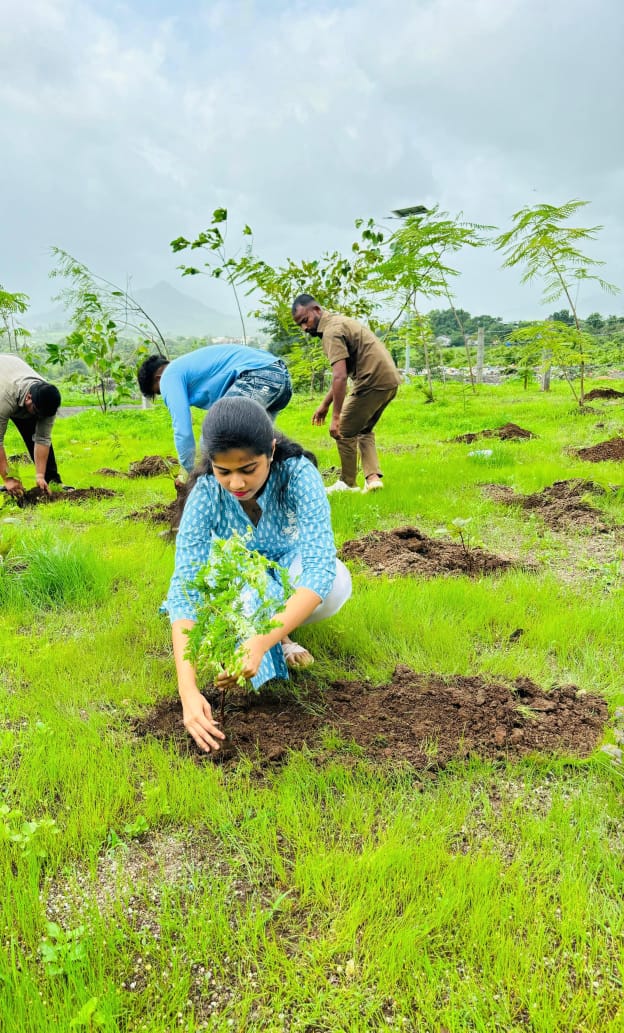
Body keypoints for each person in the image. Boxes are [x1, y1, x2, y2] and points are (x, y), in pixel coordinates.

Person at [164, 396, 352, 753]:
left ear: (271, 449)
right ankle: (261, 637)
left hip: (287, 564)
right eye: (224, 471)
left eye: (248, 469)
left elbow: (317, 569)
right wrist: (188, 692)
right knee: (239, 588)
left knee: (335, 583)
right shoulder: (205, 492)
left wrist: (260, 641)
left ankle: (279, 635)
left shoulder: (297, 474)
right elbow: (185, 587)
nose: (236, 483)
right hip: (237, 574)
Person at [291, 294, 402, 494]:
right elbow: (342, 375)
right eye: (300, 325)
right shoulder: (340, 322)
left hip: (371, 381)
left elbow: (340, 377)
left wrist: (336, 416)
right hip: (389, 381)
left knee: (342, 430)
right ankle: (373, 479)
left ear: (316, 310)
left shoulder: (331, 332)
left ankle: (347, 483)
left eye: (305, 320)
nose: (305, 328)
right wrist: (325, 404)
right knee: (364, 430)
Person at [137, 345, 292, 477]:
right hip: (280, 378)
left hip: (259, 375)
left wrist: (190, 471)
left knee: (213, 436)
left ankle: (213, 494)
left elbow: (182, 430)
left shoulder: (168, 376)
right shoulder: (188, 366)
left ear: (158, 378)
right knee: (257, 443)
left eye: (159, 392)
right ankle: (280, 483)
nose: (165, 394)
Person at [0, 354, 64, 497]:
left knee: (33, 424)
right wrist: (9, 479)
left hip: (13, 369)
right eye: (37, 412)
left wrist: (40, 475)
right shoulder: (5, 398)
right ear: (28, 397)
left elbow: (42, 439)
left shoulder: (46, 399)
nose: (39, 418)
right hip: (5, 386)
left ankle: (51, 481)